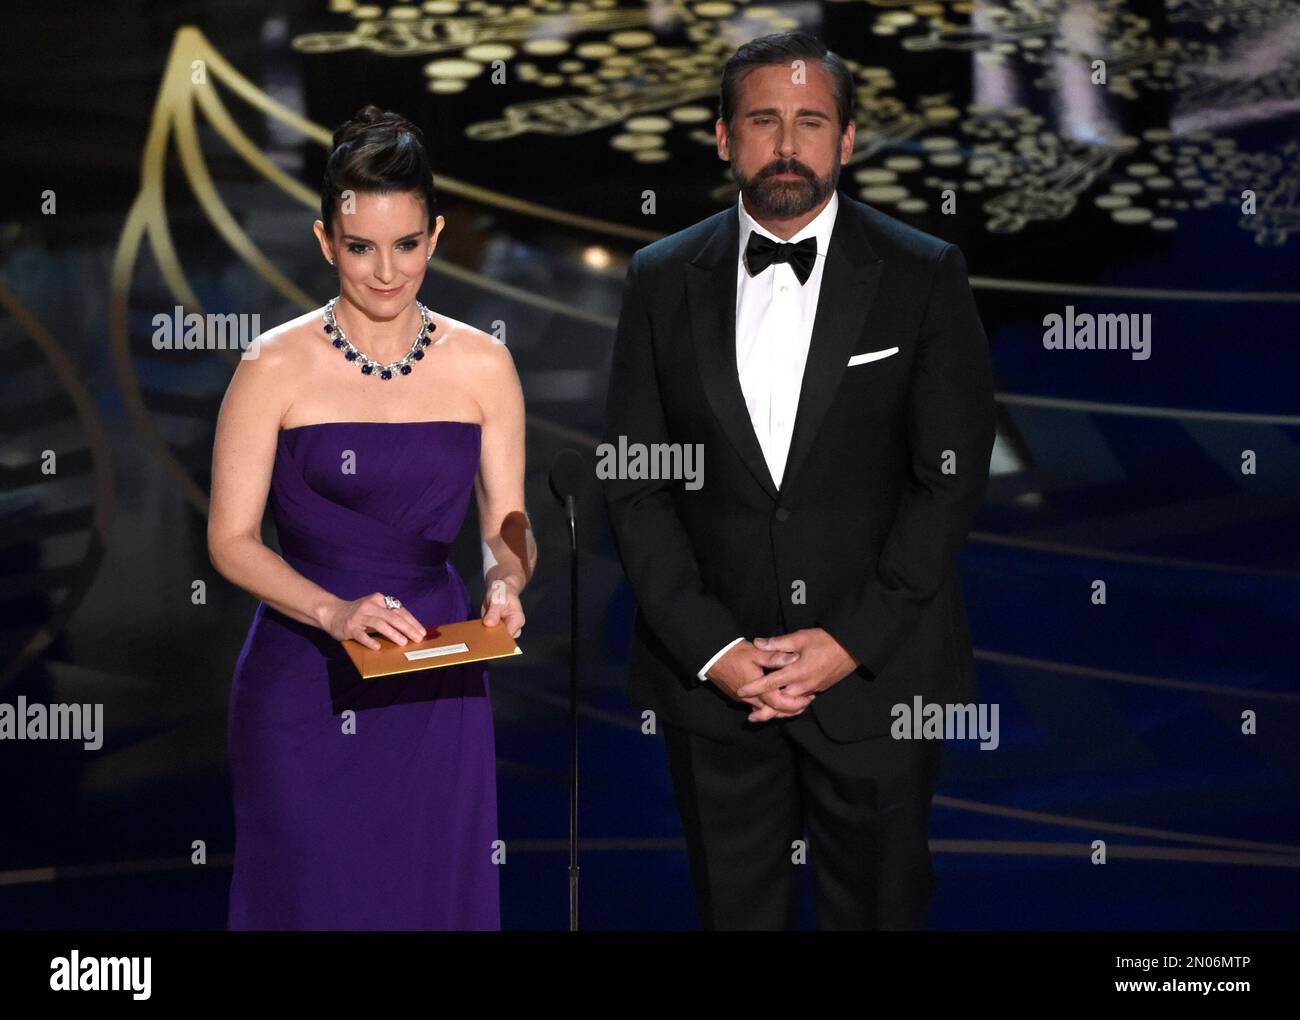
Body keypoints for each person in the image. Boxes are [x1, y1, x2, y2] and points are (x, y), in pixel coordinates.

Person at [602, 32, 996, 929]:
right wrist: (715, 651)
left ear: (847, 140)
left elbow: (949, 484)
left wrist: (848, 642)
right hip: (715, 689)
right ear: (724, 137)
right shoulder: (661, 279)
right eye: (764, 121)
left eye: (810, 121)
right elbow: (636, 481)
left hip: (880, 681)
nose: (786, 145)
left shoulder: (924, 273)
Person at [209, 105, 533, 930]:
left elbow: (508, 521)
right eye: (360, 247)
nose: (385, 271)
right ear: (326, 241)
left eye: (406, 245)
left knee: (429, 898)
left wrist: (506, 581)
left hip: (435, 671)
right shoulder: (272, 364)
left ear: (436, 236)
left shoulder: (483, 364)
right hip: (303, 673)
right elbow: (230, 541)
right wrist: (333, 610)